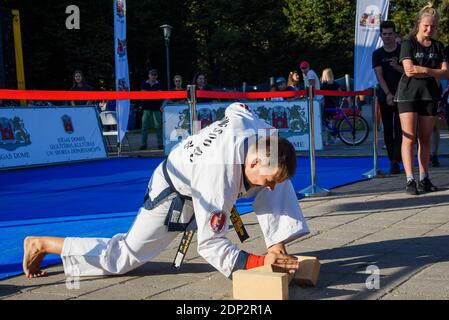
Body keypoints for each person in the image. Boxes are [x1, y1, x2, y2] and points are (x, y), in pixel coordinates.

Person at [22, 102, 309, 279]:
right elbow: (210, 244)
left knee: (278, 180)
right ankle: (43, 243)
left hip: (201, 169)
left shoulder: (264, 136)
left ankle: (278, 246)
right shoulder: (217, 174)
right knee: (123, 258)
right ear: (254, 160)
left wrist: (276, 248)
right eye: (267, 178)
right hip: (172, 190)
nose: (270, 185)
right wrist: (257, 262)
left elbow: (236, 108)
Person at [395, 3, 449, 195]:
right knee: (408, 137)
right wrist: (433, 72)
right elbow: (409, 70)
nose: (429, 29)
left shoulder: (439, 47)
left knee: (424, 138)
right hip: (408, 94)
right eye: (426, 25)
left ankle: (424, 178)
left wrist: (424, 69)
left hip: (430, 95)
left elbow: (446, 73)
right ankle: (410, 179)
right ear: (419, 23)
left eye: (433, 26)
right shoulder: (408, 43)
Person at [372, 21, 404, 175]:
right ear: (381, 35)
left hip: (403, 95)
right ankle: (393, 159)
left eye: (390, 33)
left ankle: (396, 161)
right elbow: (379, 76)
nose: (387, 36)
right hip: (385, 97)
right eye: (384, 34)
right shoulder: (377, 54)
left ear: (395, 34)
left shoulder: (403, 50)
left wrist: (398, 67)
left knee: (400, 130)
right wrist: (388, 94)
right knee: (388, 130)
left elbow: (409, 72)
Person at [140, 69, 164, 150]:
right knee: (144, 127)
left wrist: (149, 94)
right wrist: (154, 93)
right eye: (152, 74)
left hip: (156, 108)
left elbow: (160, 95)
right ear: (149, 75)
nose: (153, 76)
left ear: (157, 76)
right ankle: (143, 144)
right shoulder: (144, 84)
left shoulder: (159, 84)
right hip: (146, 108)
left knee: (158, 127)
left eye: (155, 74)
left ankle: (160, 143)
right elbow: (143, 95)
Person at [320, 68, 342, 145]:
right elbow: (340, 93)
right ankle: (333, 138)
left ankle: (327, 140)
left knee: (326, 122)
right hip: (334, 104)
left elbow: (321, 95)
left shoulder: (323, 85)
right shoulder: (336, 84)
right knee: (332, 122)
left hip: (326, 104)